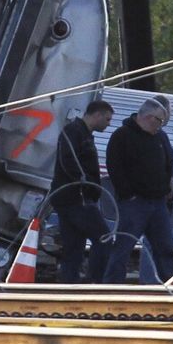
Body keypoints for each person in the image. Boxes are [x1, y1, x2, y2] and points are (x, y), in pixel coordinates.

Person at [102, 97, 173, 284]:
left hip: (158, 203)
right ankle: (111, 287)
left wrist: (168, 190)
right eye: (159, 121)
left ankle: (170, 288)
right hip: (134, 203)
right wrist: (128, 194)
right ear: (148, 117)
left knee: (165, 249)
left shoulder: (161, 137)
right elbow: (114, 167)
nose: (160, 126)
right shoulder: (122, 136)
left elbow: (169, 161)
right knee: (123, 247)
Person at [49, 99, 114, 283]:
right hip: (76, 199)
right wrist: (84, 183)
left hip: (70, 199)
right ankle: (96, 282)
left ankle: (68, 287)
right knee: (103, 239)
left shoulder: (82, 133)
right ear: (97, 115)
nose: (108, 124)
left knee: (74, 247)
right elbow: (67, 161)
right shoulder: (74, 132)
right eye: (107, 119)